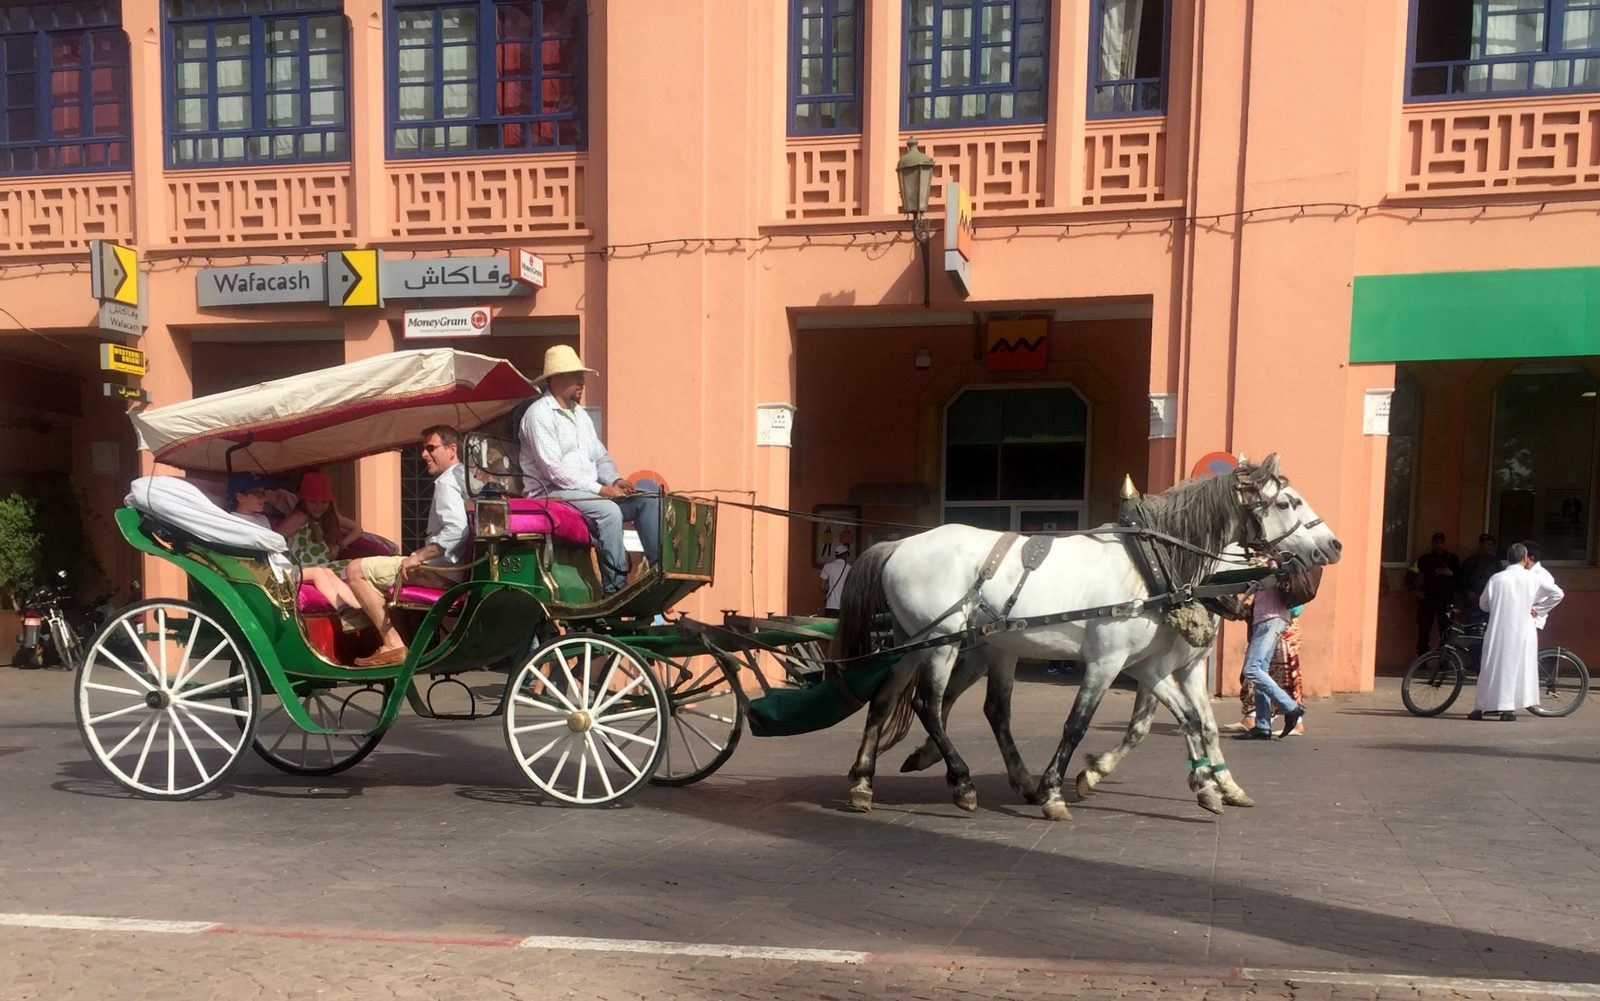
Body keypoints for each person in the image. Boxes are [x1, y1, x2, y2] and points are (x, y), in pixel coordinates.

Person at [518, 345, 661, 595]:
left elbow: (600, 456)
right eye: (576, 375)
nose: (582, 381)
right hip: (550, 494)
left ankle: (658, 570)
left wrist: (615, 479)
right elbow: (554, 470)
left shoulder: (580, 415)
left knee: (649, 491)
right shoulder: (538, 415)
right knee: (608, 513)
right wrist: (601, 489)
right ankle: (615, 587)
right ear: (556, 378)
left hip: (587, 493)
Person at [344, 426, 470, 667]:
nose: (424, 454)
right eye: (423, 448)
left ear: (452, 449)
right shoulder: (466, 479)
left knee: (355, 570)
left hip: (438, 572)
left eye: (431, 448)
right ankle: (397, 641)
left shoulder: (447, 481)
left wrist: (418, 556)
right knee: (380, 571)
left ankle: (392, 644)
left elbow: (456, 529)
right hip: (455, 573)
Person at [1472, 542, 1563, 721]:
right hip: (1523, 631)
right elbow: (1558, 593)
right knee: (1517, 668)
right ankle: (1508, 709)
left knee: (1491, 667)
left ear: (1508, 559)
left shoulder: (1496, 579)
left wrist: (1498, 605)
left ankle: (1482, 707)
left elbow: (1483, 604)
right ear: (1524, 558)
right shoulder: (1533, 578)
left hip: (1499, 629)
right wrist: (1539, 609)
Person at [1234, 564, 1306, 741]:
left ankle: (1291, 708)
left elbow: (1276, 577)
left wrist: (1265, 564)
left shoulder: (1277, 561)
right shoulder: (1268, 561)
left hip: (1271, 618)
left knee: (1252, 669)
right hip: (1263, 619)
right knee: (1261, 672)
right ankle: (1263, 725)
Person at [275, 471, 362, 613]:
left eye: (324, 502)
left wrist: (339, 546)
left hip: (321, 565)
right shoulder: (299, 517)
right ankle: (345, 610)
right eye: (313, 502)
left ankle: (357, 611)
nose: (319, 507)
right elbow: (273, 539)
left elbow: (357, 529)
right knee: (322, 572)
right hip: (297, 568)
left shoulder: (329, 517)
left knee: (355, 566)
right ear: (303, 501)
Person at [1406, 532, 1459, 655]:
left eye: (1440, 542)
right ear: (1432, 543)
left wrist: (1450, 573)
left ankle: (1445, 661)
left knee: (1446, 631)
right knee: (1424, 630)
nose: (1438, 545)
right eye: (1436, 542)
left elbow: (1460, 578)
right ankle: (1422, 660)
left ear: (1444, 543)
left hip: (1446, 600)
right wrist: (1414, 590)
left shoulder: (1452, 559)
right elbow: (1410, 575)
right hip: (1428, 599)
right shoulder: (1425, 559)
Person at [1456, 533, 1502, 621]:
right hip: (1472, 602)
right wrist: (1468, 593)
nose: (1490, 547)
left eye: (1491, 545)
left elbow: (1499, 581)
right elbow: (1461, 581)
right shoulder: (1469, 562)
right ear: (1481, 545)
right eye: (1487, 544)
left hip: (1489, 601)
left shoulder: (1496, 563)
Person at [819, 543, 851, 617]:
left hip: (830, 605)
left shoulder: (827, 566)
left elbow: (822, 588)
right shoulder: (850, 568)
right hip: (844, 605)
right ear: (845, 555)